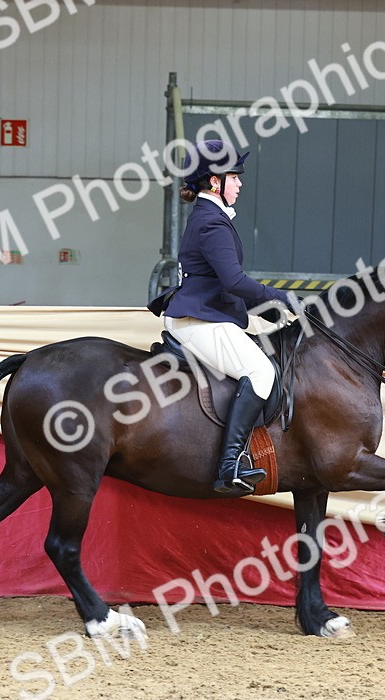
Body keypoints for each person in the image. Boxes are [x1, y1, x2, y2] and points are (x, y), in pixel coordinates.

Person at [164, 140, 299, 495]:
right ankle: (230, 465)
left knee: (278, 330)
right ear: (214, 182)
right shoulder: (212, 222)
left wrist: (272, 311)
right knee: (259, 371)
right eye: (234, 177)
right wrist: (283, 297)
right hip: (199, 320)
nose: (239, 184)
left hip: (214, 311)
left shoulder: (213, 218)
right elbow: (235, 281)